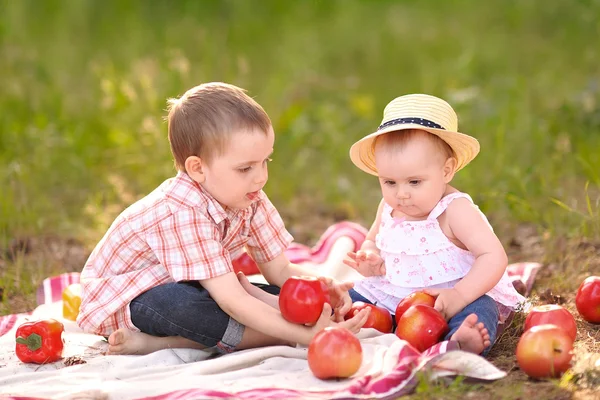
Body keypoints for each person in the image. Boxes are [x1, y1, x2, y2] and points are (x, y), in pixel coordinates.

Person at [77, 82, 369, 356]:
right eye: (245, 168)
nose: (261, 177)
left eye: (265, 161)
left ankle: (160, 344)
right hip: (134, 303)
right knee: (181, 304)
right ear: (198, 168)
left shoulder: (247, 196)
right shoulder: (180, 210)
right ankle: (281, 334)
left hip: (205, 286)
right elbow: (231, 300)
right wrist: (305, 335)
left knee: (273, 295)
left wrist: (319, 286)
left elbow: (279, 269)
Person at [344, 94, 526, 355]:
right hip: (392, 294)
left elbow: (493, 256)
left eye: (414, 182)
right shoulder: (389, 207)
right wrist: (370, 256)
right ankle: (331, 323)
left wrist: (459, 296)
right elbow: (373, 238)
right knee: (350, 302)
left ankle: (460, 343)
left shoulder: (454, 210)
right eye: (389, 182)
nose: (401, 194)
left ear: (446, 171)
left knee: (480, 307)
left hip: (449, 298)